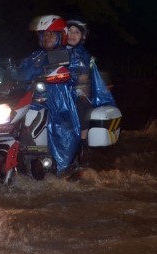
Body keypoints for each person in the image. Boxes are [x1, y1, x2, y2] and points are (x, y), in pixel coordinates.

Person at [16, 14, 81, 177]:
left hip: (60, 102)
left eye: (51, 34)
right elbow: (19, 73)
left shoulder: (71, 55)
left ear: (61, 36)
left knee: (60, 124)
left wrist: (63, 76)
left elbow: (74, 75)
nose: (47, 37)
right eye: (44, 34)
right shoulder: (35, 57)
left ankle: (61, 166)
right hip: (30, 100)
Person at [66, 18, 117, 166]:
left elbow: (84, 78)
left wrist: (78, 87)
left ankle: (82, 145)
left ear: (83, 36)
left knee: (83, 108)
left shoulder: (85, 56)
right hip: (56, 94)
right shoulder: (53, 52)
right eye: (69, 31)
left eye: (77, 32)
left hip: (78, 95)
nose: (72, 35)